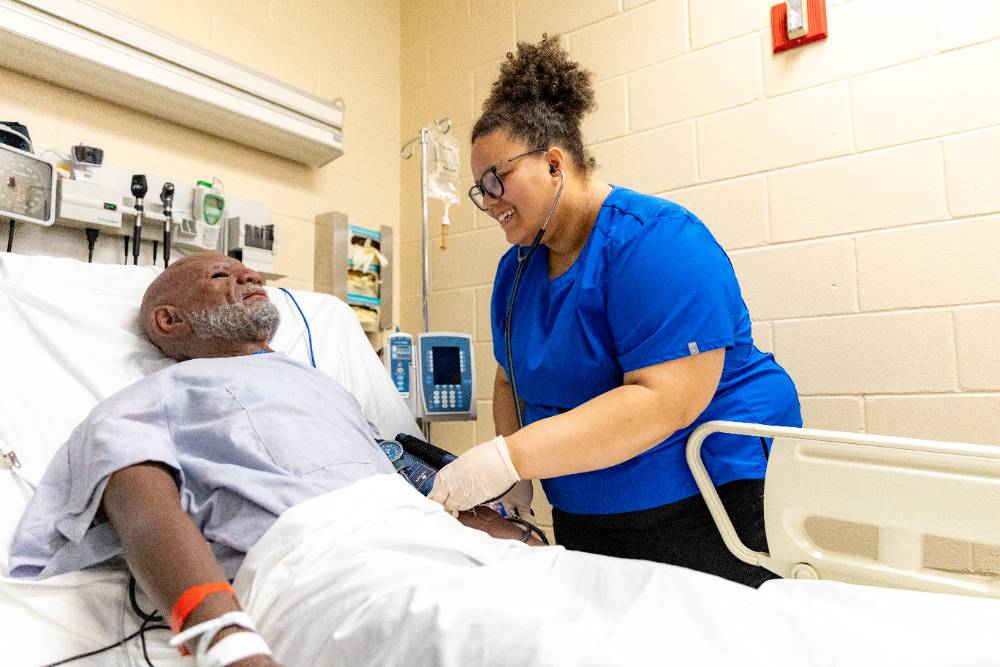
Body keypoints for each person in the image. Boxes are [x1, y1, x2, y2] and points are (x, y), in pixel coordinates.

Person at [8, 253, 535, 667]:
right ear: (169, 320)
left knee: (574, 602)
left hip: (436, 543)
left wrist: (498, 531)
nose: (248, 275)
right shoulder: (160, 394)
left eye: (246, 270)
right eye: (221, 275)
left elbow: (392, 463)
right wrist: (227, 640)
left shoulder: (322, 386)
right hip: (328, 560)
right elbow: (138, 499)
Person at [428, 36, 802, 588]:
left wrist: (508, 457)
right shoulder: (516, 272)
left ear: (553, 162)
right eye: (478, 189)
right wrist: (515, 485)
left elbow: (665, 400)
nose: (487, 201)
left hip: (708, 498)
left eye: (495, 180)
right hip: (585, 508)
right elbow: (510, 381)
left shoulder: (659, 243)